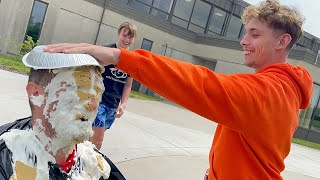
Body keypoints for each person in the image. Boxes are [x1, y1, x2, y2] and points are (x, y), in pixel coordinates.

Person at [44, 0, 313, 179]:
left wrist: (119, 57)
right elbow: (249, 142)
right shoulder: (284, 88)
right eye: (245, 32)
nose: (243, 41)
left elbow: (199, 84)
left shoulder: (269, 92)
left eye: (255, 34)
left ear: (282, 41)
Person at [0, 46, 125, 180]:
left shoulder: (95, 165)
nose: (93, 104)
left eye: (98, 93)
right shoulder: (8, 158)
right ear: (36, 94)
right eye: (79, 88)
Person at [91, 22, 137, 150]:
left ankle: (75, 162)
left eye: (130, 37)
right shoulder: (106, 51)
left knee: (89, 139)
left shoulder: (132, 59)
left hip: (113, 106)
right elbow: (93, 74)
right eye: (124, 35)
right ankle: (88, 166)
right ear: (119, 33)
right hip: (99, 103)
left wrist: (123, 104)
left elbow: (128, 85)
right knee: (97, 142)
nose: (127, 40)